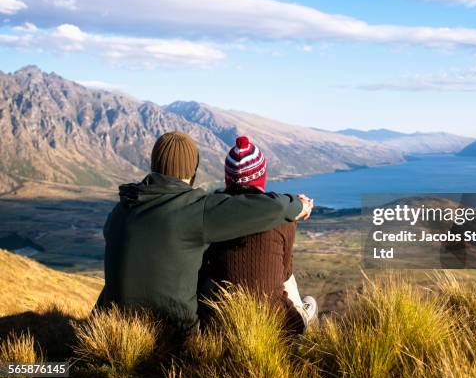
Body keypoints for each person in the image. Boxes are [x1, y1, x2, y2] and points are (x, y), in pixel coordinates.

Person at [97, 131, 313, 332]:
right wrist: (299, 205)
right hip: (172, 337)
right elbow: (272, 208)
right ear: (192, 171)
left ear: (153, 165)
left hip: (114, 329)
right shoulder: (192, 210)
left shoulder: (122, 207)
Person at [197, 136, 318, 334]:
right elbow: (285, 273)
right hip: (279, 325)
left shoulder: (213, 215)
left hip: (222, 323)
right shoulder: (282, 219)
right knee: (298, 289)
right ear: (261, 177)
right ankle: (302, 324)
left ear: (228, 178)